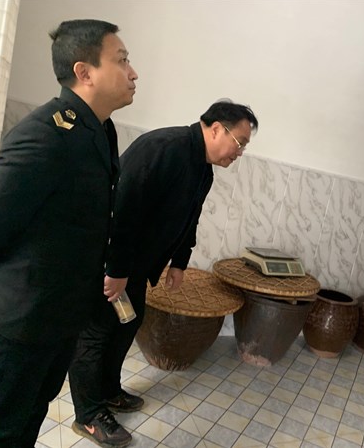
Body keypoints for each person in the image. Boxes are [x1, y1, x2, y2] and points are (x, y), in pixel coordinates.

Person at [0, 19, 138, 447]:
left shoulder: (99, 128)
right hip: (25, 316)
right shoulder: (46, 133)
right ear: (85, 72)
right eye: (122, 61)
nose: (133, 72)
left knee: (33, 413)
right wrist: (12, 286)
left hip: (62, 313)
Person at [67, 100, 258, 446]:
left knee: (128, 324)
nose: (240, 152)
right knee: (96, 333)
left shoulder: (203, 170)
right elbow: (122, 208)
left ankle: (108, 390)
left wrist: (180, 261)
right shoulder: (164, 148)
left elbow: (190, 218)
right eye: (240, 142)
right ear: (217, 128)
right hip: (110, 261)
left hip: (135, 267)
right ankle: (89, 415)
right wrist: (116, 268)